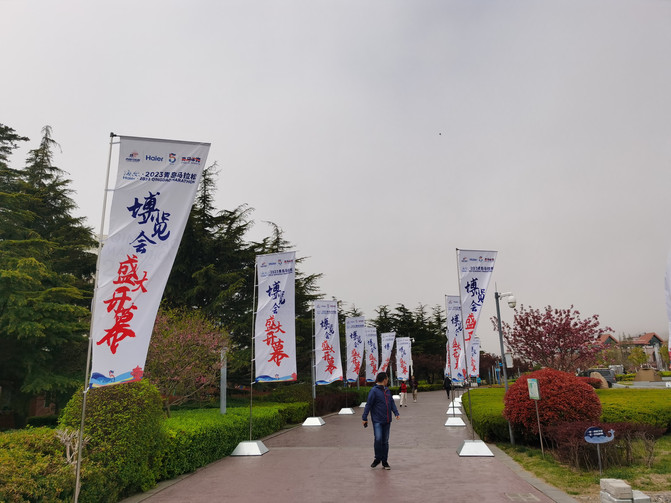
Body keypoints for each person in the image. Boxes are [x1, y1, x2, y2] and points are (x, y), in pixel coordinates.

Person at [362, 372, 400, 470]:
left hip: (387, 420)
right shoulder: (374, 391)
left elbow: (391, 402)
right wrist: (364, 417)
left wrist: (396, 412)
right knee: (378, 439)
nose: (388, 380)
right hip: (377, 420)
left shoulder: (387, 390)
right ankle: (377, 458)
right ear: (384, 380)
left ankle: (384, 461)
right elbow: (368, 405)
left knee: (385, 441)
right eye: (387, 378)